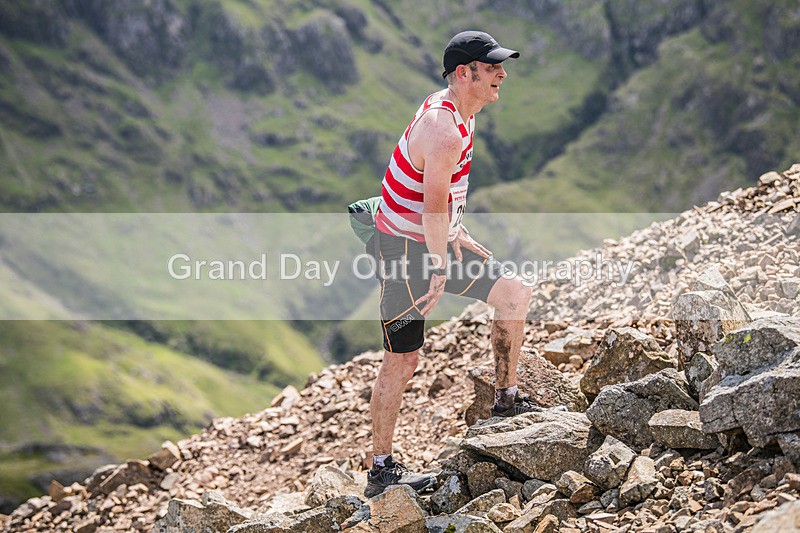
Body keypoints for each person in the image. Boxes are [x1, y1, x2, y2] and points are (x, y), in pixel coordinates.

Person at [364, 31, 538, 499]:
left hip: (435, 239)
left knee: (513, 293)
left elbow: (440, 200)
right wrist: (440, 265)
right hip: (403, 250)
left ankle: (506, 401)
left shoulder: (464, 112)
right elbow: (432, 205)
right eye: (492, 67)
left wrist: (458, 238)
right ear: (464, 73)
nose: (502, 74)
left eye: (502, 65)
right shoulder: (443, 128)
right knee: (403, 359)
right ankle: (381, 471)